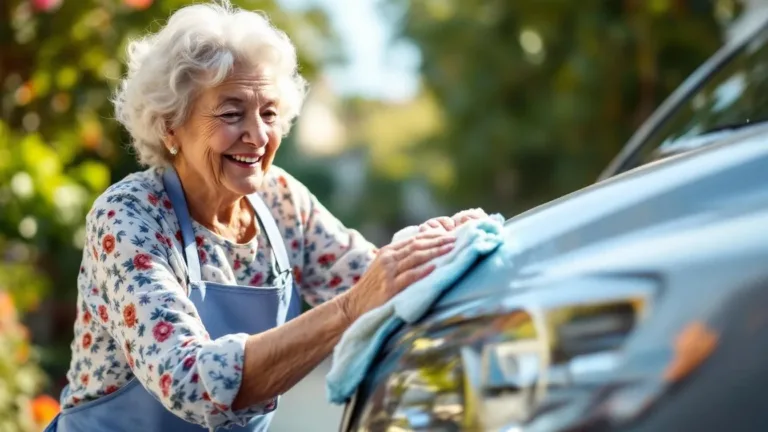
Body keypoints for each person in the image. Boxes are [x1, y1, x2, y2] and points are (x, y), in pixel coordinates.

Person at [45, 1, 486, 431]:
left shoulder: (281, 200)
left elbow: (378, 285)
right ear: (170, 126)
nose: (257, 135)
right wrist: (352, 308)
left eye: (269, 113)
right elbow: (189, 384)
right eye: (232, 113)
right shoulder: (129, 216)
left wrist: (443, 250)